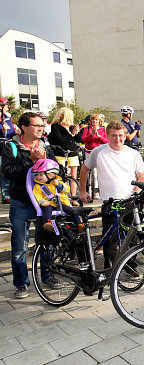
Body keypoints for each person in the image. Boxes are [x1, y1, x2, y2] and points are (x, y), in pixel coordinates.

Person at [2, 112, 58, 299]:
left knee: (47, 243)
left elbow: (58, 170)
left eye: (42, 126)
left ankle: (47, 276)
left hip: (44, 203)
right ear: (24, 127)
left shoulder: (45, 146)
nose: (41, 129)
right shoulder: (11, 146)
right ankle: (21, 284)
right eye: (36, 126)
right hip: (21, 203)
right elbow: (8, 172)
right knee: (20, 247)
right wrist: (31, 161)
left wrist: (46, 163)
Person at [79, 120, 144, 268]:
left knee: (131, 237)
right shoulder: (99, 151)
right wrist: (82, 191)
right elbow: (84, 170)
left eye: (121, 135)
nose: (118, 139)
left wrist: (136, 192)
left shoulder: (133, 154)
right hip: (110, 202)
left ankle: (131, 266)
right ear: (108, 136)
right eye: (114, 136)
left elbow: (141, 175)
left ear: (125, 135)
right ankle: (109, 268)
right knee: (110, 238)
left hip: (129, 201)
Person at [32, 159, 83, 231]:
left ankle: (79, 224)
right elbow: (37, 196)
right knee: (47, 210)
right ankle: (47, 223)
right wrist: (42, 202)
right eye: (37, 175)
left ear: (51, 175)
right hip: (49, 203)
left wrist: (59, 185)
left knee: (72, 211)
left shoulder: (58, 181)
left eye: (41, 174)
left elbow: (67, 189)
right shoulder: (38, 186)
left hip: (61, 203)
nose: (38, 177)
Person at [48, 107, 82, 197]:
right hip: (61, 153)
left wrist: (76, 132)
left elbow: (79, 140)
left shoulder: (71, 126)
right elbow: (60, 139)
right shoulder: (56, 126)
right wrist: (71, 135)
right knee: (61, 175)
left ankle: (73, 195)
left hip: (72, 152)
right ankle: (63, 195)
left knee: (73, 176)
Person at [0, 97, 19, 203]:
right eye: (5, 106)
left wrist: (16, 132)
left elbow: (10, 131)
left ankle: (6, 195)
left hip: (7, 147)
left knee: (5, 171)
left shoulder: (8, 119)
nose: (7, 108)